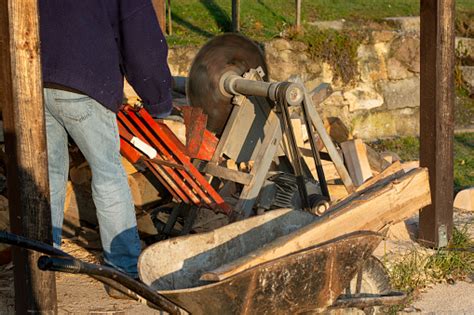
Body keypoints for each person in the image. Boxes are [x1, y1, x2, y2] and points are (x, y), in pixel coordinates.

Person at [38, 0, 172, 280]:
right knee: (108, 174)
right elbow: (141, 42)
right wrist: (159, 101)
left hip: (37, 78)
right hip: (85, 83)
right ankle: (122, 269)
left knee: (48, 173)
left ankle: (42, 259)